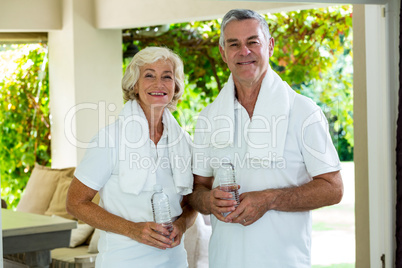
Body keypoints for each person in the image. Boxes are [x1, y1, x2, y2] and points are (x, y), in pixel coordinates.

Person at [189, 9, 344, 268]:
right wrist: (206, 200)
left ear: (269, 46)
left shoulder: (304, 112)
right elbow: (197, 189)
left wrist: (270, 199)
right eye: (234, 44)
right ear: (222, 52)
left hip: (285, 261)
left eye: (253, 42)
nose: (244, 51)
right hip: (225, 261)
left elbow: (333, 188)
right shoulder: (208, 118)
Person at [66, 47, 197, 268]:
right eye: (149, 75)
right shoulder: (109, 138)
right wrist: (133, 230)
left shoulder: (184, 142)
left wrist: (182, 225)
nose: (159, 84)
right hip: (122, 261)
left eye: (167, 76)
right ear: (134, 85)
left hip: (174, 261)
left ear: (175, 87)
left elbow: (190, 203)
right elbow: (75, 203)